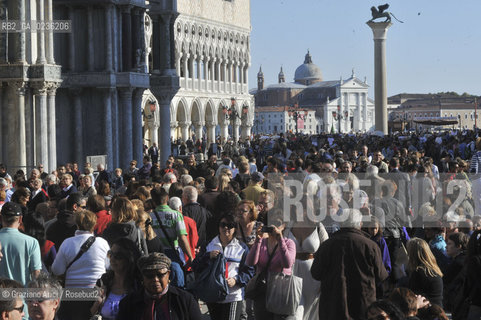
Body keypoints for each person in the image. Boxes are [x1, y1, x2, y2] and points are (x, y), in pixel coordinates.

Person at [311, 209, 388, 320]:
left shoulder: (327, 245)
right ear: (360, 224)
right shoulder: (370, 246)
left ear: (341, 223)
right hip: (363, 305)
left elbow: (316, 273)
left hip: (333, 307)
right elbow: (381, 275)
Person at [51, 210, 110, 320]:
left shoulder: (67, 243)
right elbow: (109, 267)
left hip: (73, 295)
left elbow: (57, 270)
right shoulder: (103, 243)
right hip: (95, 294)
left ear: (77, 224)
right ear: (94, 224)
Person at [196, 214, 254, 320]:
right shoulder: (209, 245)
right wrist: (208, 256)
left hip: (233, 295)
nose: (226, 228)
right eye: (223, 225)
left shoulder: (242, 248)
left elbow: (249, 271)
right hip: (212, 295)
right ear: (218, 227)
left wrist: (236, 280)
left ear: (235, 228)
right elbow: (196, 266)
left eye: (230, 225)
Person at [116, 253, 202, 320]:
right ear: (142, 277)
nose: (155, 279)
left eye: (160, 275)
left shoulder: (185, 300)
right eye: (149, 276)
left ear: (168, 274)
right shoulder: (128, 303)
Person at [246, 211, 296, 319]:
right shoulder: (262, 242)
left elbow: (287, 263)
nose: (273, 226)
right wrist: (258, 241)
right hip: (262, 290)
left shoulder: (289, 243)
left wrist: (280, 240)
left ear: (283, 226)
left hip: (281, 291)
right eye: (270, 223)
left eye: (277, 223)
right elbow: (250, 262)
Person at [285, 199, 328, 320]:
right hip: (292, 272)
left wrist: (325, 278)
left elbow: (327, 252)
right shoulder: (289, 225)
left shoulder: (318, 226)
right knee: (294, 311)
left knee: (311, 311)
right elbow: (282, 248)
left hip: (313, 274)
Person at [90, 238, 142, 320]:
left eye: (118, 256)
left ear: (129, 258)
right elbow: (88, 314)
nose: (112, 259)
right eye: (110, 254)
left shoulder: (139, 285)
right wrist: (98, 303)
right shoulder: (104, 281)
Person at [0, 202, 42, 286]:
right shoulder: (32, 242)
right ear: (20, 219)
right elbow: (36, 273)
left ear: (1, 218)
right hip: (22, 296)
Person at [406, 238, 444, 308]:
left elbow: (413, 296)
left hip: (426, 310)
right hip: (438, 308)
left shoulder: (419, 272)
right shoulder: (434, 269)